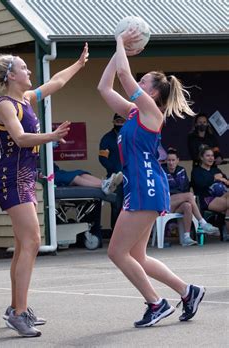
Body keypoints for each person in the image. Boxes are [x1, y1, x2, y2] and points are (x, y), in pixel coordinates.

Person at [0, 43, 88, 337]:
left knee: (24, 245)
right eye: (23, 67)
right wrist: (52, 135)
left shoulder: (25, 98)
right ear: (11, 75)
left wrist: (79, 63)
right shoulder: (5, 105)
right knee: (32, 242)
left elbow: (56, 82)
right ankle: (19, 312)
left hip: (24, 178)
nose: (28, 71)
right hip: (11, 178)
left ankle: (17, 308)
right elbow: (21, 137)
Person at [98, 27, 205, 328]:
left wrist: (120, 42)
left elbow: (123, 77)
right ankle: (188, 291)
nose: (138, 82)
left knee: (117, 252)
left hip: (147, 186)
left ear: (153, 92)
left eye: (143, 81)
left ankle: (156, 303)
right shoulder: (133, 111)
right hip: (142, 186)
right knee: (137, 256)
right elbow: (104, 88)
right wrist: (117, 50)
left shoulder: (150, 111)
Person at [163, 148, 220, 246]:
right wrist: (180, 194)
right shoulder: (161, 171)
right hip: (165, 203)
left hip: (178, 202)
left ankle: (186, 237)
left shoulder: (181, 170)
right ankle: (203, 223)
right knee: (189, 196)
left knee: (187, 206)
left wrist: (181, 196)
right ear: (165, 161)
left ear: (178, 160)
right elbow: (164, 190)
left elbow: (185, 187)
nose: (171, 163)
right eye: (169, 160)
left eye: (173, 160)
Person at [191, 145, 229, 235]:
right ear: (201, 158)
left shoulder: (216, 169)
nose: (211, 158)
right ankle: (225, 231)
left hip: (222, 197)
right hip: (207, 199)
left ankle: (226, 231)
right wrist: (214, 178)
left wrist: (225, 180)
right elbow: (200, 184)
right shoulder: (196, 171)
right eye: (208, 156)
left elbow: (226, 182)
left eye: (212, 156)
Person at [99, 113, 125, 230]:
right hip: (114, 178)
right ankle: (115, 231)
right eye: (118, 121)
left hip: (130, 177)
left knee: (130, 206)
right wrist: (114, 171)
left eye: (122, 121)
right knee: (116, 205)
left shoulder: (129, 136)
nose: (120, 123)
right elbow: (102, 158)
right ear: (113, 122)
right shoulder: (107, 138)